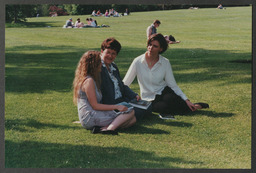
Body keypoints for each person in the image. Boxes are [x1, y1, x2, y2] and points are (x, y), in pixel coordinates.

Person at [123, 33, 209, 118]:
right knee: (162, 108)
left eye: (155, 46)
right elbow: (125, 83)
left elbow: (172, 85)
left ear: (161, 49)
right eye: (150, 44)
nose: (151, 48)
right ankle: (193, 106)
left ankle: (194, 106)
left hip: (164, 91)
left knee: (172, 100)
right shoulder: (137, 61)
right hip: (149, 98)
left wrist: (186, 99)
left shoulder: (165, 62)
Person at [73, 51, 136, 135]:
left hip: (91, 115)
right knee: (130, 112)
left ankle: (103, 128)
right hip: (90, 117)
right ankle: (109, 129)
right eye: (99, 62)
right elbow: (95, 105)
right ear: (93, 64)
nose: (101, 65)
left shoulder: (90, 78)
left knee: (132, 120)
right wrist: (117, 107)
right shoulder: (89, 81)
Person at [100, 37, 151, 121]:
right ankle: (125, 118)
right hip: (111, 103)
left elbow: (121, 85)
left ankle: (127, 117)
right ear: (102, 51)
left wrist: (134, 95)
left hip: (122, 99)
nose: (110, 56)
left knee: (148, 106)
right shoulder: (98, 68)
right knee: (139, 111)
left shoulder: (113, 66)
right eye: (108, 52)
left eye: (113, 54)